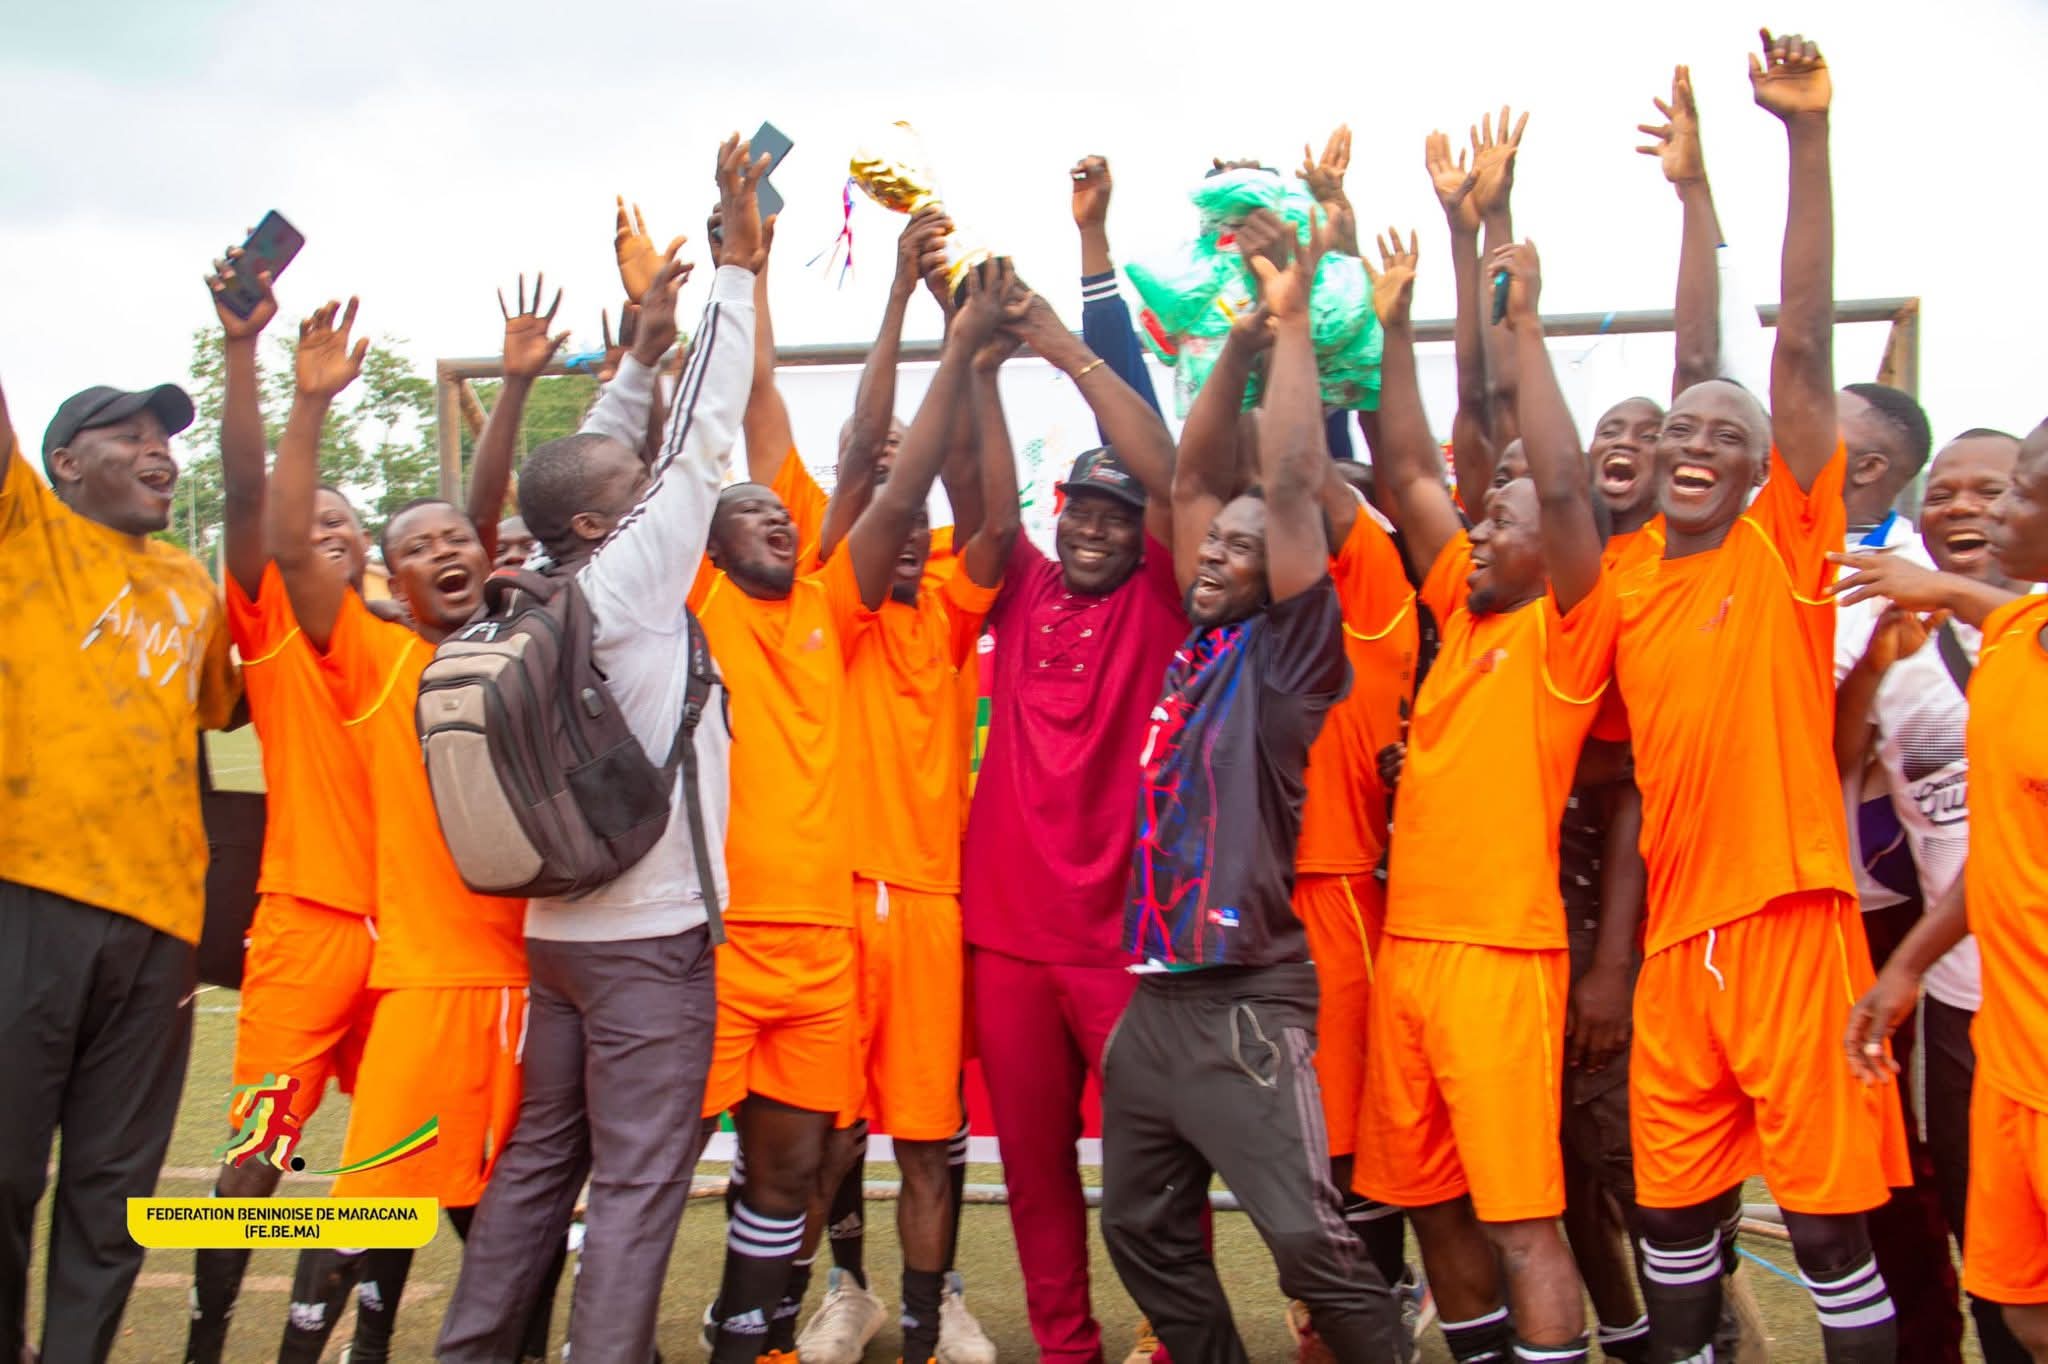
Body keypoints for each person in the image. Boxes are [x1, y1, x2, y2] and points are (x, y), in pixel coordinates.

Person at [436, 136, 761, 1364]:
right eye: (638, 485)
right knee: (634, 1183)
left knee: (536, 1162)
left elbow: (594, 460)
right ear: (602, 517)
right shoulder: (628, 578)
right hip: (646, 946)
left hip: (557, 935)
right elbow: (703, 427)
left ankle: (472, 1351)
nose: (657, 484)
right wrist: (737, 271)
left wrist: (636, 351)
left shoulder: (538, 578)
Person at [1613, 31, 1909, 1364]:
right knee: (1673, 1229)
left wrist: (1803, 140)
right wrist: (1688, 196)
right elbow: (1697, 363)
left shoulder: (1783, 550)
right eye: (1684, 431)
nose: (1698, 444)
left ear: (1758, 473)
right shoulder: (1627, 572)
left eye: (1726, 441)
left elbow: (1788, 353)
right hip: (1676, 948)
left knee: (1832, 1237)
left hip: (1792, 924)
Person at [1100, 208, 1403, 1363]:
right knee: (1137, 1227)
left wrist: (1288, 329)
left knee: (1308, 1243)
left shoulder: (1290, 656)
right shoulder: (1200, 647)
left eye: (1242, 547)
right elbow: (1193, 478)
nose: (1218, 555)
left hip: (1243, 1003)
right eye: (1210, 546)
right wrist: (1231, 343)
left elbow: (1284, 480)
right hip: (1154, 1001)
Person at [727, 205, 998, 1364]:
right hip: (823, 900)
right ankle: (835, 1292)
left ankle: (936, 1309)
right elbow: (803, 423)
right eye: (873, 461)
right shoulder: (813, 570)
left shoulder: (944, 600)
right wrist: (885, 294)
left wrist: (958, 331)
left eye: (908, 475)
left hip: (924, 901)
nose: (894, 475)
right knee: (816, 1133)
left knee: (930, 1129)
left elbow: (969, 483)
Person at [1356, 231, 1615, 1364]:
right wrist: (1392, 328)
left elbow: (1558, 482)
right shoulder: (1461, 617)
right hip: (1409, 950)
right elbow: (1411, 472)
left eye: (1503, 521)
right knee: (1429, 1201)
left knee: (1519, 1217)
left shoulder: (1567, 635)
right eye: (1483, 518)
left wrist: (1525, 324)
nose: (1480, 529)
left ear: (1555, 548)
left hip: (1501, 958)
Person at [265, 295, 529, 1364]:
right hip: (429, 985)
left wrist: (516, 387)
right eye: (414, 548)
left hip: (541, 984)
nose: (442, 553)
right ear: (391, 580)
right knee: (362, 1214)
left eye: (456, 539)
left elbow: (479, 519)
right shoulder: (379, 662)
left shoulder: (524, 648)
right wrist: (308, 406)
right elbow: (292, 551)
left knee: (513, 1223)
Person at [960, 169, 1187, 1364]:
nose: (1093, 526)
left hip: (1115, 938)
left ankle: (1172, 1330)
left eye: (1114, 514)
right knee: (1033, 1164)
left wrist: (1058, 343)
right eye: (1079, 511)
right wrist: (980, 367)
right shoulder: (1023, 584)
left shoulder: (1160, 596)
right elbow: (985, 502)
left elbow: (1167, 474)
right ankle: (1065, 1343)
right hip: (1004, 935)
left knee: (1154, 1159)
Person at [0, 365, 239, 1364]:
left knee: (114, 1192)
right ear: (64, 463)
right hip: (29, 896)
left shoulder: (189, 582)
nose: (158, 451)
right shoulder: (25, 531)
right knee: (7, 1171)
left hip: (160, 927)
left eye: (165, 436)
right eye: (130, 434)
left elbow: (217, 708)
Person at [182, 246, 381, 1364]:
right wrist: (248, 355)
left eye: (351, 524)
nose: (329, 533)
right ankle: (209, 1336)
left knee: (408, 1147)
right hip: (307, 924)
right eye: (318, 522)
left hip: (418, 942)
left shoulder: (412, 649)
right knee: (259, 1151)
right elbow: (252, 496)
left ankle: (359, 1336)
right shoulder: (271, 635)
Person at [1843, 417, 2048, 1363]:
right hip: (1981, 1023)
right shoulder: (1988, 647)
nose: (1983, 512)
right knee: (2010, 1288)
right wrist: (1907, 969)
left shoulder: (2010, 629)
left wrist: (1957, 594)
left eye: (2010, 492)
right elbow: (1998, 846)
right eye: (1949, 493)